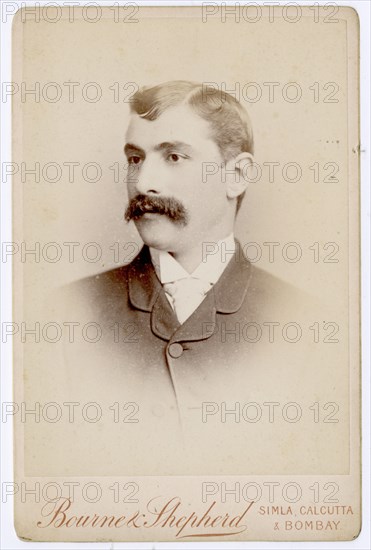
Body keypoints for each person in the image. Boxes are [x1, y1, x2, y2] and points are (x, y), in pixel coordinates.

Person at [59, 81, 316, 473]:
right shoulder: (63, 317)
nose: (143, 183)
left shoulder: (308, 328)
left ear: (237, 175)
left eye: (174, 156)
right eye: (134, 159)